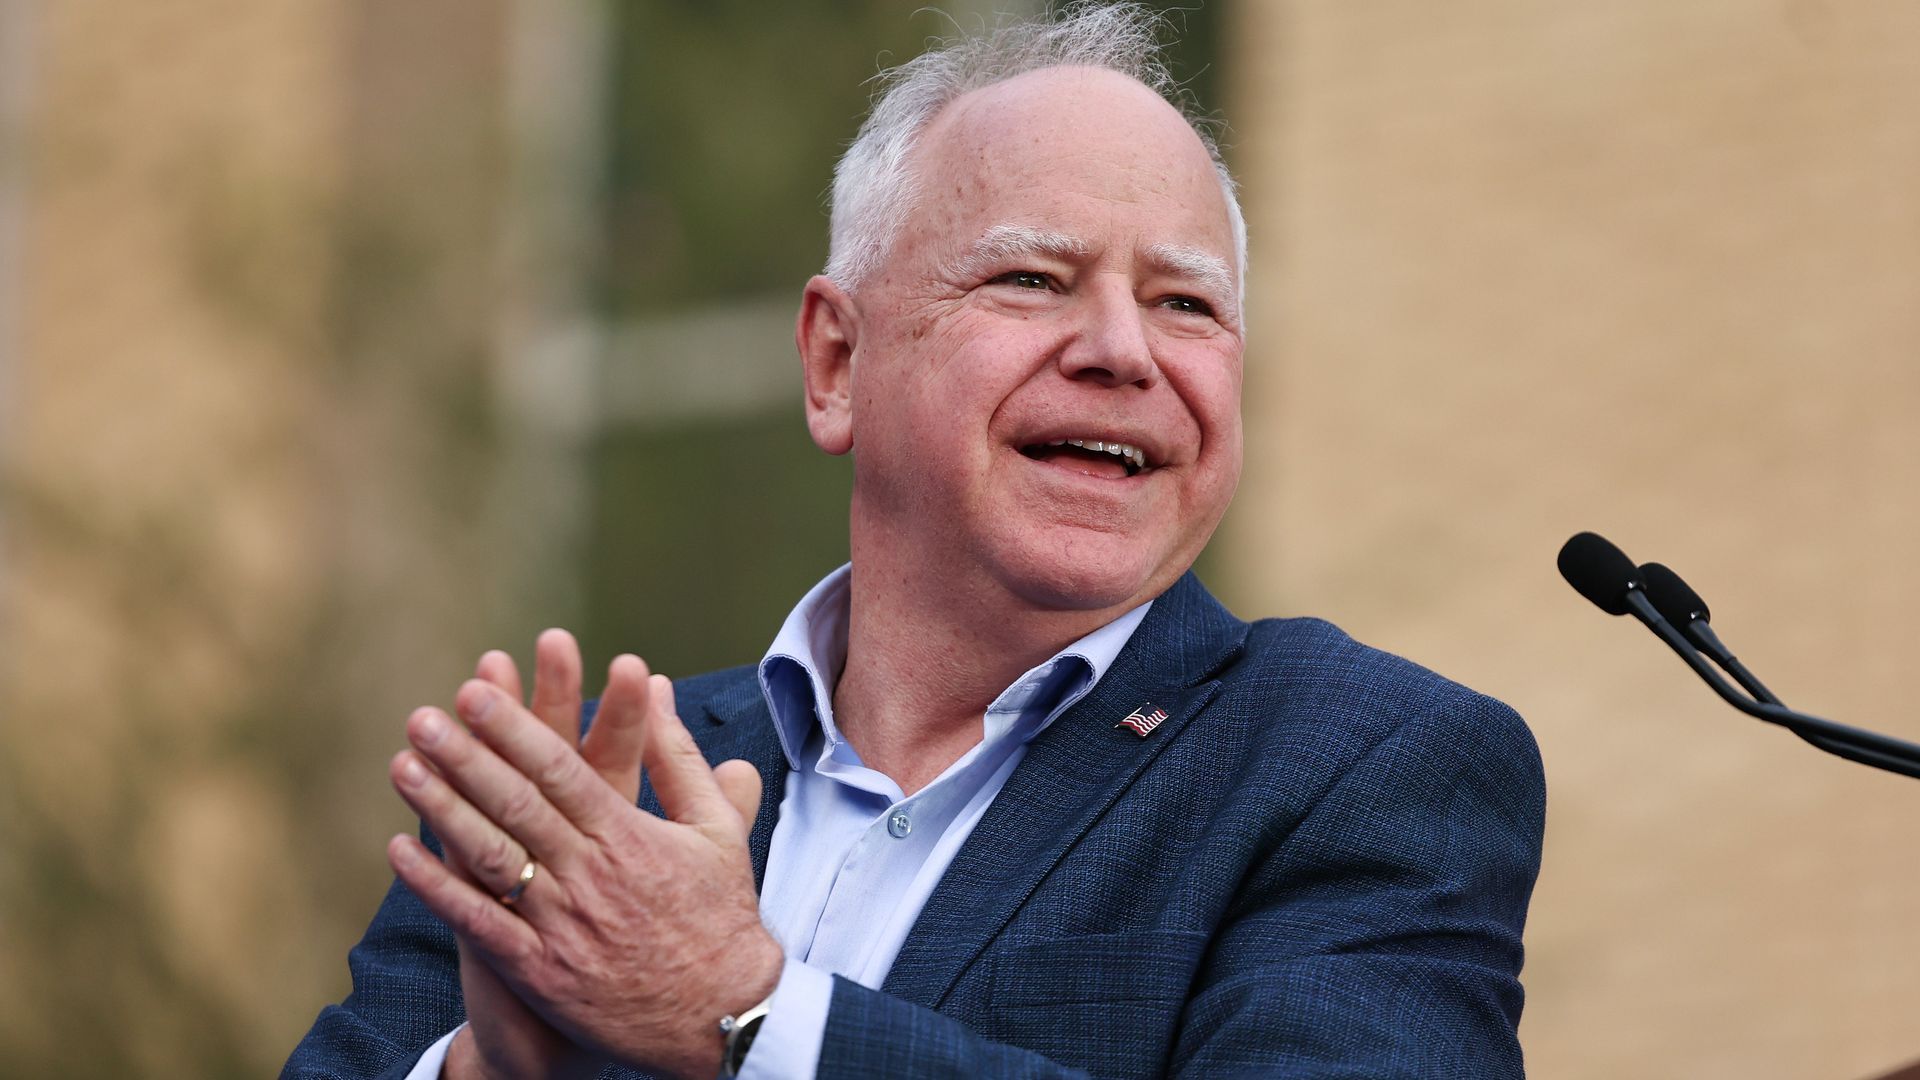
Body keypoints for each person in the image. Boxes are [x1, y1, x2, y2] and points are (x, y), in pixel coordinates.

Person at [285, 5, 1545, 1078]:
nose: (1123, 349)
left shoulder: (1366, 765)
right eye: (1032, 281)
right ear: (838, 362)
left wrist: (750, 1014)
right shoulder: (579, 806)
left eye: (1186, 304)